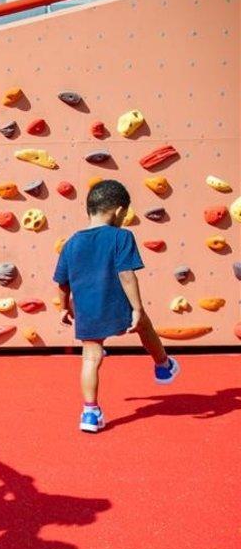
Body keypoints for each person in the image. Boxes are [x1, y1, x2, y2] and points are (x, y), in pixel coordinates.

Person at [54, 179, 180, 433]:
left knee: (91, 357)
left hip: (87, 310)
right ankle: (163, 366)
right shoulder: (122, 236)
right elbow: (126, 274)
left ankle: (90, 412)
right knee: (144, 325)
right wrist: (137, 308)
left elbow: (61, 281)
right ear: (120, 211)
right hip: (117, 305)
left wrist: (63, 307)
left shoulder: (71, 243)